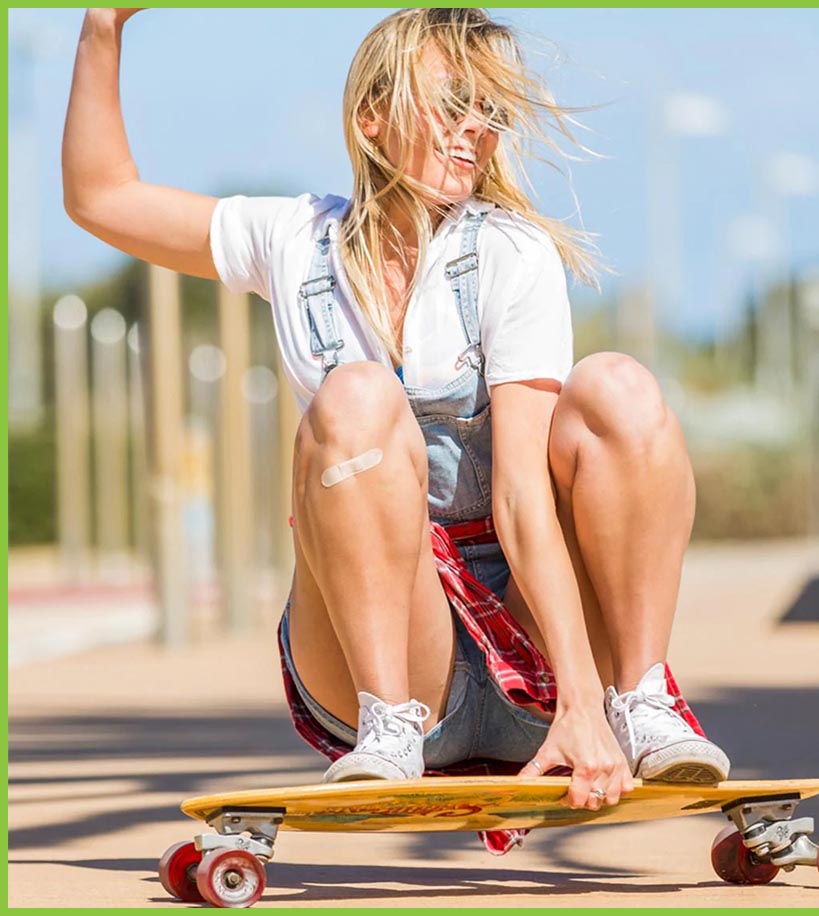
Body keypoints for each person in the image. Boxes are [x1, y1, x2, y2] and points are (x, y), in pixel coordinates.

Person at [63, 7, 729, 825]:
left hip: (538, 661)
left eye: (490, 110)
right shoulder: (293, 239)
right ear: (371, 115)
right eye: (452, 104)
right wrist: (102, 26)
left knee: (617, 387)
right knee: (358, 394)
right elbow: (100, 197)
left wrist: (581, 704)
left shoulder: (510, 251)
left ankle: (640, 701)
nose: (476, 129)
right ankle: (388, 729)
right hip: (386, 665)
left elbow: (523, 497)